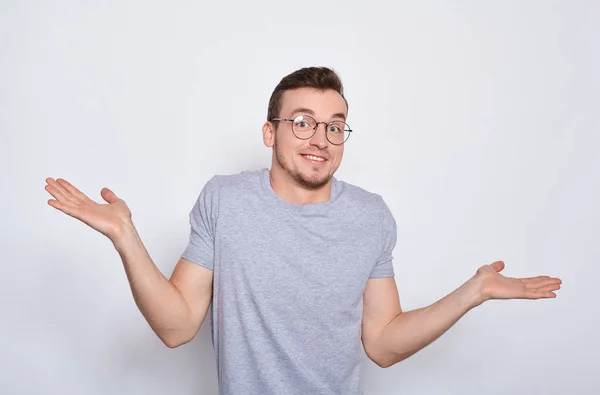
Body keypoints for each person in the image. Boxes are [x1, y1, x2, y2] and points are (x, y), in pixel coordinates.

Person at [44, 66, 562, 395]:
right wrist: (126, 239)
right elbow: (177, 326)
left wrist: (472, 292)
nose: (321, 138)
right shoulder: (224, 199)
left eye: (335, 125)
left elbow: (383, 342)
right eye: (303, 121)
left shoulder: (370, 216)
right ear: (271, 131)